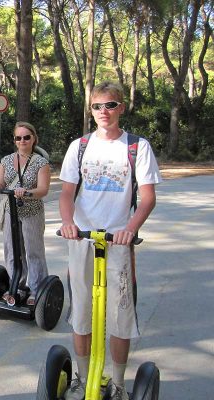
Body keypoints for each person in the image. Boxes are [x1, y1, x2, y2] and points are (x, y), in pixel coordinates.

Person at [58, 81, 162, 400]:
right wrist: (67, 223)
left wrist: (130, 228)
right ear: (91, 110)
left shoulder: (137, 147)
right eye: (97, 106)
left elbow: (146, 198)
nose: (104, 112)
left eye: (110, 105)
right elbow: (65, 193)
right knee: (82, 311)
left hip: (118, 242)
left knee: (120, 313)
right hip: (82, 239)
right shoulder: (79, 146)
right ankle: (82, 377)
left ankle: (117, 384)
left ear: (121, 108)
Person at [0, 122, 51, 306]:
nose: (22, 141)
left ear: (33, 139)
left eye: (26, 137)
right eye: (18, 138)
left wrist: (28, 192)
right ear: (14, 141)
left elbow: (43, 190)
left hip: (32, 212)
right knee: (12, 250)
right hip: (10, 211)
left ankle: (37, 288)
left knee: (33, 251)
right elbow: (0, 182)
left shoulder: (41, 162)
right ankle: (18, 285)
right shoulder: (7, 160)